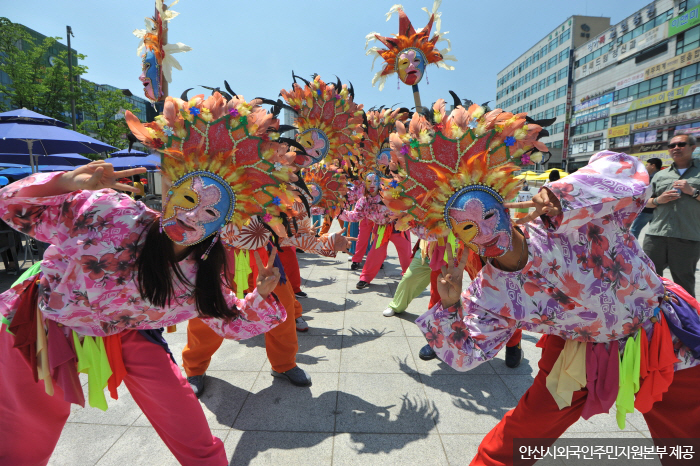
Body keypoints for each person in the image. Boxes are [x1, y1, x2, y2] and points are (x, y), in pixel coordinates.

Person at [386, 100, 700, 466]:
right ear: (458, 237)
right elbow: (465, 353)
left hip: (664, 335)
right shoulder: (492, 288)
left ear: (505, 207)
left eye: (489, 214)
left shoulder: (574, 216)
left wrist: (566, 191)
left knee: (687, 445)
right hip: (579, 354)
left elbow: (625, 170)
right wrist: (450, 305)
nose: (485, 231)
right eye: (469, 227)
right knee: (515, 443)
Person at [0, 160, 285, 466]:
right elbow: (13, 208)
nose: (191, 216)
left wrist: (262, 295)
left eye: (211, 212)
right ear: (169, 195)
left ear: (221, 226)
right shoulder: (110, 212)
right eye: (188, 200)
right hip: (43, 324)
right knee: (26, 434)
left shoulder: (198, 275)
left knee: (185, 418)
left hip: (127, 333)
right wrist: (65, 183)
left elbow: (230, 322)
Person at [643, 134, 700, 297]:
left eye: (681, 144)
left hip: (687, 237)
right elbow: (645, 202)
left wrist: (693, 192)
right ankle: (654, 319)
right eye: (671, 145)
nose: (675, 148)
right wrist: (659, 200)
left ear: (692, 148)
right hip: (656, 236)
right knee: (649, 280)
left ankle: (687, 321)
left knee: (683, 285)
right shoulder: (661, 175)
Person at [630, 157, 662, 238]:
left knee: (634, 230)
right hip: (658, 210)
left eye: (647, 165)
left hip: (646, 210)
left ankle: (632, 249)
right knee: (655, 232)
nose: (646, 167)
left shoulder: (650, 178)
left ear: (653, 166)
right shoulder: (662, 176)